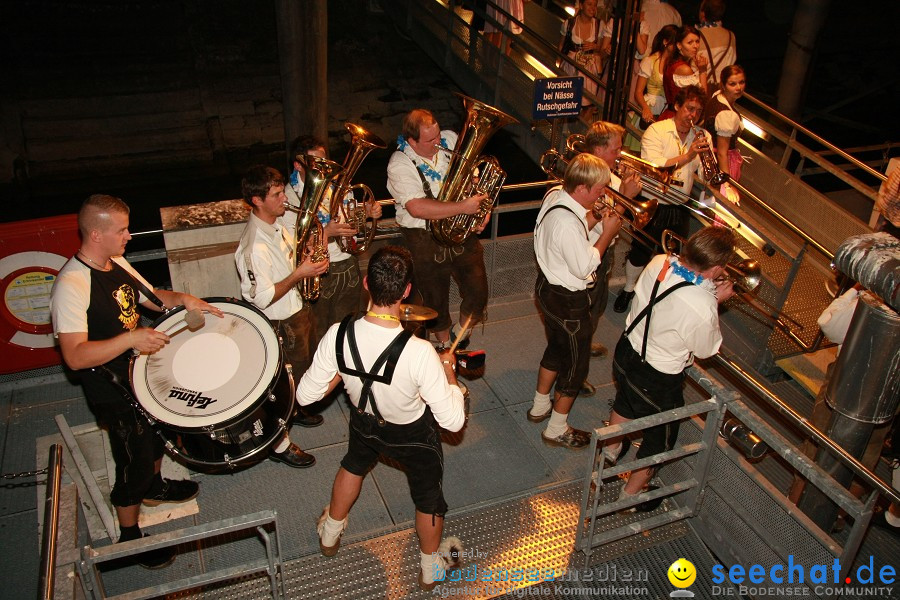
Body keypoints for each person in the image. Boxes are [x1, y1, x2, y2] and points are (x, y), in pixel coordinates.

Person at [50, 194, 225, 568]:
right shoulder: (72, 284)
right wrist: (131, 339)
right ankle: (129, 536)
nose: (129, 236)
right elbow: (75, 355)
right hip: (110, 386)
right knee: (133, 456)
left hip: (139, 371)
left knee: (158, 431)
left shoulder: (115, 262)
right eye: (122, 230)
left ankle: (155, 488)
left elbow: (153, 299)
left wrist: (185, 299)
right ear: (96, 234)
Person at [296, 246, 466, 591]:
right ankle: (430, 570)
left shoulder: (338, 334)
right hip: (413, 436)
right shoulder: (420, 353)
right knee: (429, 498)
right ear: (406, 291)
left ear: (365, 284)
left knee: (354, 465)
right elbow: (453, 422)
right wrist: (450, 374)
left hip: (365, 424)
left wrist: (344, 373)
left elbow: (305, 396)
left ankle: (330, 534)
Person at [606, 226, 736, 506]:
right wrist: (716, 301)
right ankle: (630, 496)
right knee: (659, 440)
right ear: (715, 269)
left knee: (625, 402)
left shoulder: (659, 262)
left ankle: (610, 451)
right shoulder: (702, 303)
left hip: (626, 350)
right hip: (657, 376)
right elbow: (706, 349)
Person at [235, 165, 329, 468]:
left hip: (296, 310)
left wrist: (305, 259)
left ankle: (298, 411)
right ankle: (279, 443)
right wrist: (300, 273)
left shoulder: (277, 225)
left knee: (302, 369)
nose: (285, 199)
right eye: (276, 195)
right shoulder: (253, 247)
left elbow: (287, 263)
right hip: (281, 322)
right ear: (256, 200)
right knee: (280, 386)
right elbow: (261, 297)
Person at [528, 153, 622, 449]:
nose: (602, 195)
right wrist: (606, 234)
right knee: (575, 367)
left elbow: (571, 230)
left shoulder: (556, 195)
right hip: (568, 301)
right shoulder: (567, 224)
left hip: (547, 289)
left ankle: (539, 406)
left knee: (556, 347)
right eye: (599, 191)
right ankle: (556, 429)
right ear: (581, 189)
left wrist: (595, 216)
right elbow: (584, 266)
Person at [386, 108, 490, 349]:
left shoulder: (450, 139)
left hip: (459, 229)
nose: (438, 143)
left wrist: (481, 210)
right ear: (411, 141)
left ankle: (458, 338)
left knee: (478, 292)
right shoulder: (399, 163)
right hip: (423, 237)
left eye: (438, 136)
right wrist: (464, 207)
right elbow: (417, 208)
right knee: (435, 300)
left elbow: (471, 180)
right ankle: (445, 347)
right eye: (430, 140)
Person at [614, 85, 712, 314]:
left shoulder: (702, 136)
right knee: (641, 250)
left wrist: (708, 162)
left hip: (680, 204)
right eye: (689, 108)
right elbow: (654, 166)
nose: (693, 115)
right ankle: (629, 289)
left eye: (697, 111)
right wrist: (688, 155)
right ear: (677, 106)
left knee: (675, 256)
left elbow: (707, 175)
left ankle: (656, 296)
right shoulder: (656, 131)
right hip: (653, 201)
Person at [288, 135, 381, 343]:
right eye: (316, 164)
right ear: (298, 166)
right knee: (320, 333)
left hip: (348, 265)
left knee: (349, 329)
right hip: (320, 272)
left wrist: (366, 211)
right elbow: (296, 242)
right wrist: (327, 233)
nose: (324, 168)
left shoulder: (339, 187)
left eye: (325, 162)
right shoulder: (291, 197)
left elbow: (349, 219)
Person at [581, 121, 642, 368]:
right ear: (598, 151)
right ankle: (575, 367)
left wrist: (626, 186)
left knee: (597, 305)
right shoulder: (585, 179)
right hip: (589, 252)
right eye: (616, 150)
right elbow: (601, 222)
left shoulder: (610, 178)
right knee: (584, 310)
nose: (620, 155)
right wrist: (626, 196)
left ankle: (583, 345)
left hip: (604, 252)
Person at [703, 64, 745, 203]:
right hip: (722, 162)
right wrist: (726, 184)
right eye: (732, 84)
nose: (738, 87)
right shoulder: (726, 114)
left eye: (741, 82)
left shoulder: (717, 98)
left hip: (710, 157)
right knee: (724, 205)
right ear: (723, 85)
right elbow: (722, 152)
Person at [559, 0, 608, 120]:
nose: (593, 8)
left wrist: (595, 47)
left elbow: (603, 52)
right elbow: (561, 46)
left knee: (588, 104)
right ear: (581, 6)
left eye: (595, 5)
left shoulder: (598, 25)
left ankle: (580, 132)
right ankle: (565, 130)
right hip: (571, 67)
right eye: (589, 4)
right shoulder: (570, 23)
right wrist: (558, 66)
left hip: (590, 69)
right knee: (568, 102)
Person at [659, 26, 708, 120]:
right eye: (690, 42)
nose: (695, 46)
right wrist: (703, 71)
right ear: (679, 45)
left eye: (697, 41)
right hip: (678, 119)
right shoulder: (683, 69)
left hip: (672, 115)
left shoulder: (674, 62)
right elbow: (702, 98)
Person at [696, 0, 736, 85]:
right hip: (723, 89)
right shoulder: (730, 35)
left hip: (701, 89)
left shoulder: (695, 37)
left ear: (703, 14)